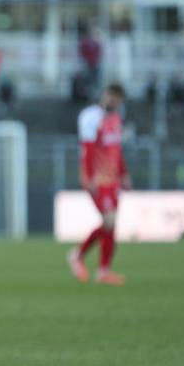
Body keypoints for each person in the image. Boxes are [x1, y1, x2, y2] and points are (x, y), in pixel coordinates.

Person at [68, 83, 131, 286]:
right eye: (110, 96)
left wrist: (124, 174)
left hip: (113, 180)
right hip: (98, 178)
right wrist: (87, 176)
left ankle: (103, 271)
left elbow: (116, 150)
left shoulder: (116, 119)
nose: (113, 100)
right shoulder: (90, 117)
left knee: (111, 226)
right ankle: (77, 255)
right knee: (109, 220)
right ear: (103, 95)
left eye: (117, 98)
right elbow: (86, 148)